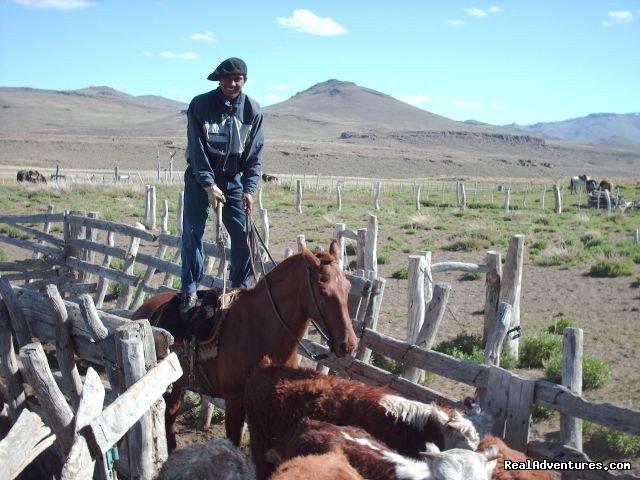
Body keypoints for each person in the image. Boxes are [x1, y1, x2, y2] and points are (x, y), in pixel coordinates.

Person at [180, 57, 264, 316]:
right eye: (227, 78)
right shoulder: (200, 105)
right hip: (199, 178)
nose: (232, 83)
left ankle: (240, 287)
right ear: (219, 80)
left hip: (233, 180)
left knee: (243, 232)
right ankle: (190, 289)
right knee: (193, 231)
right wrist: (207, 184)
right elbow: (197, 149)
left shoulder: (253, 110)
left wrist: (249, 188)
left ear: (245, 81)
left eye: (237, 78)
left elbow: (254, 154)